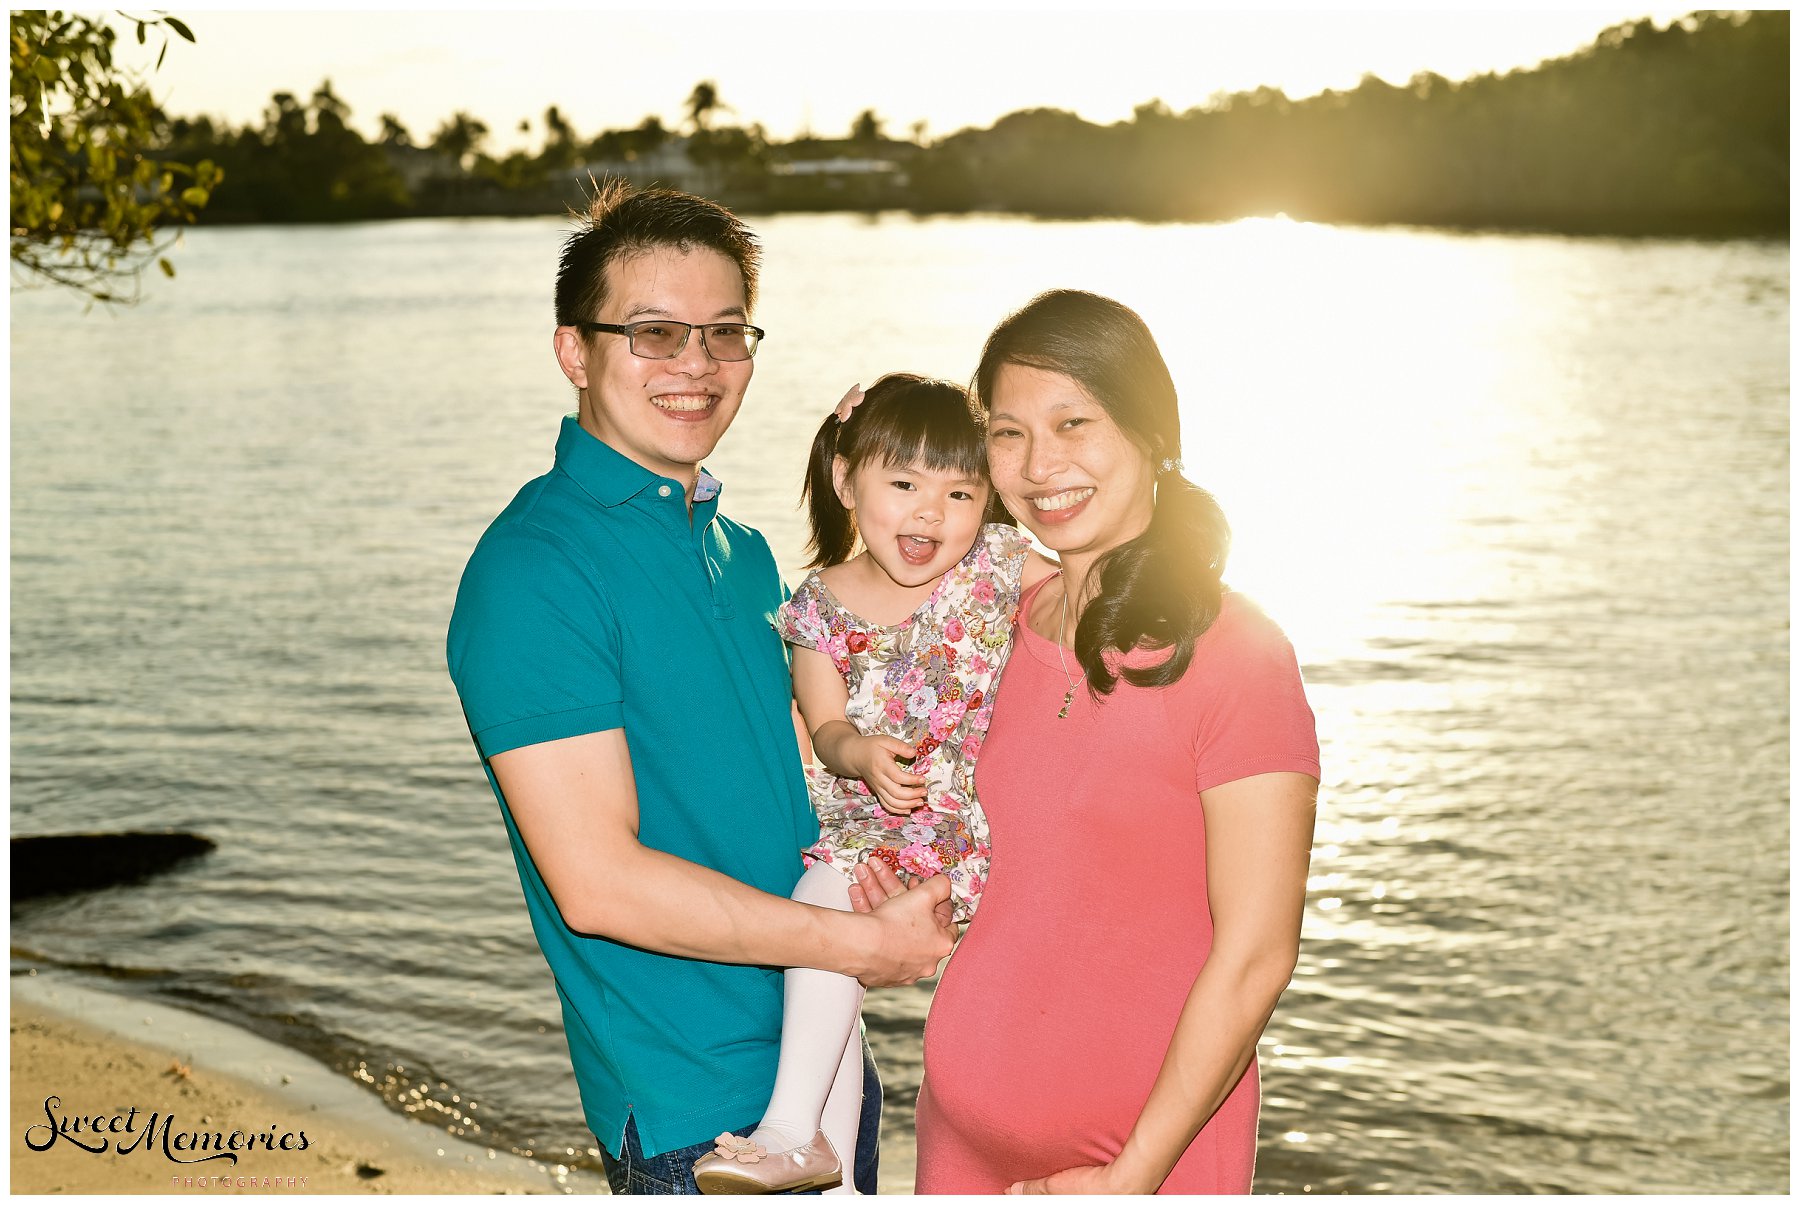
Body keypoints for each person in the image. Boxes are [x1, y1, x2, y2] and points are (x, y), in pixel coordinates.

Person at [444, 183, 955, 1196]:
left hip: (826, 1068)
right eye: (654, 332)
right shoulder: (533, 570)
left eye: (726, 334)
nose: (697, 365)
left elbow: (801, 765)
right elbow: (598, 884)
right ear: (574, 350)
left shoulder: (744, 551)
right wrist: (866, 944)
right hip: (697, 1115)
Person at [878, 289, 1321, 1194]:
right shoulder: (991, 619)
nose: (1042, 465)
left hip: (1139, 1172)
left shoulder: (1240, 655)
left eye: (1074, 421)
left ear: (1152, 432)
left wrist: (1129, 1178)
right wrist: (908, 888)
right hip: (956, 1144)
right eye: (1008, 432)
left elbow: (1256, 955)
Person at [692, 375, 1054, 1193]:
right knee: (830, 948)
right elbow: (824, 727)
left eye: (959, 492)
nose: (931, 512)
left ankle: (789, 1129)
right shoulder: (820, 604)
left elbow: (1088, 588)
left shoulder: (995, 565)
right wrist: (860, 753)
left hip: (971, 835)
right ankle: (839, 1171)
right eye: (903, 484)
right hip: (875, 830)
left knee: (821, 912)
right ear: (846, 480)